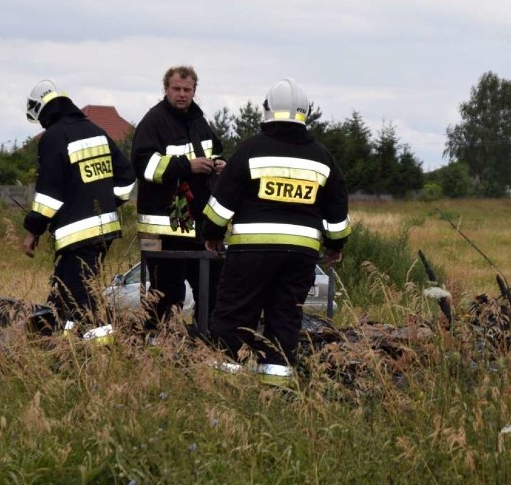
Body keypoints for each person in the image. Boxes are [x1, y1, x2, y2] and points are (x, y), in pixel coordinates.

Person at [202, 78, 351, 385]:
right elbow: (337, 211)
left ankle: (229, 387)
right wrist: (336, 245)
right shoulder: (323, 157)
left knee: (234, 318)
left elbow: (221, 203)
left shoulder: (250, 150)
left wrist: (212, 234)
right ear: (305, 112)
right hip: (301, 255)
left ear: (267, 110)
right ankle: (277, 389)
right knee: (284, 322)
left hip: (250, 252)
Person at [22, 79, 135, 341]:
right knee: (64, 292)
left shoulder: (53, 137)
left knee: (82, 300)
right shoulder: (96, 131)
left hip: (78, 237)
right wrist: (105, 201)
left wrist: (32, 230)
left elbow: (49, 194)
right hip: (104, 233)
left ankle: (101, 351)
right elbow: (127, 179)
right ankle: (59, 347)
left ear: (42, 110)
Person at [131, 66, 225, 331]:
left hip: (197, 225)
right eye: (176, 89)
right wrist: (187, 166)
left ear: (195, 91)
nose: (182, 95)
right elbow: (144, 166)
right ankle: (158, 343)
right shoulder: (153, 122)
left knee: (212, 287)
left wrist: (219, 163)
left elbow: (214, 150)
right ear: (166, 89)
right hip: (165, 228)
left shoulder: (198, 120)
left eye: (187, 90)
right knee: (167, 293)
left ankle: (206, 340)